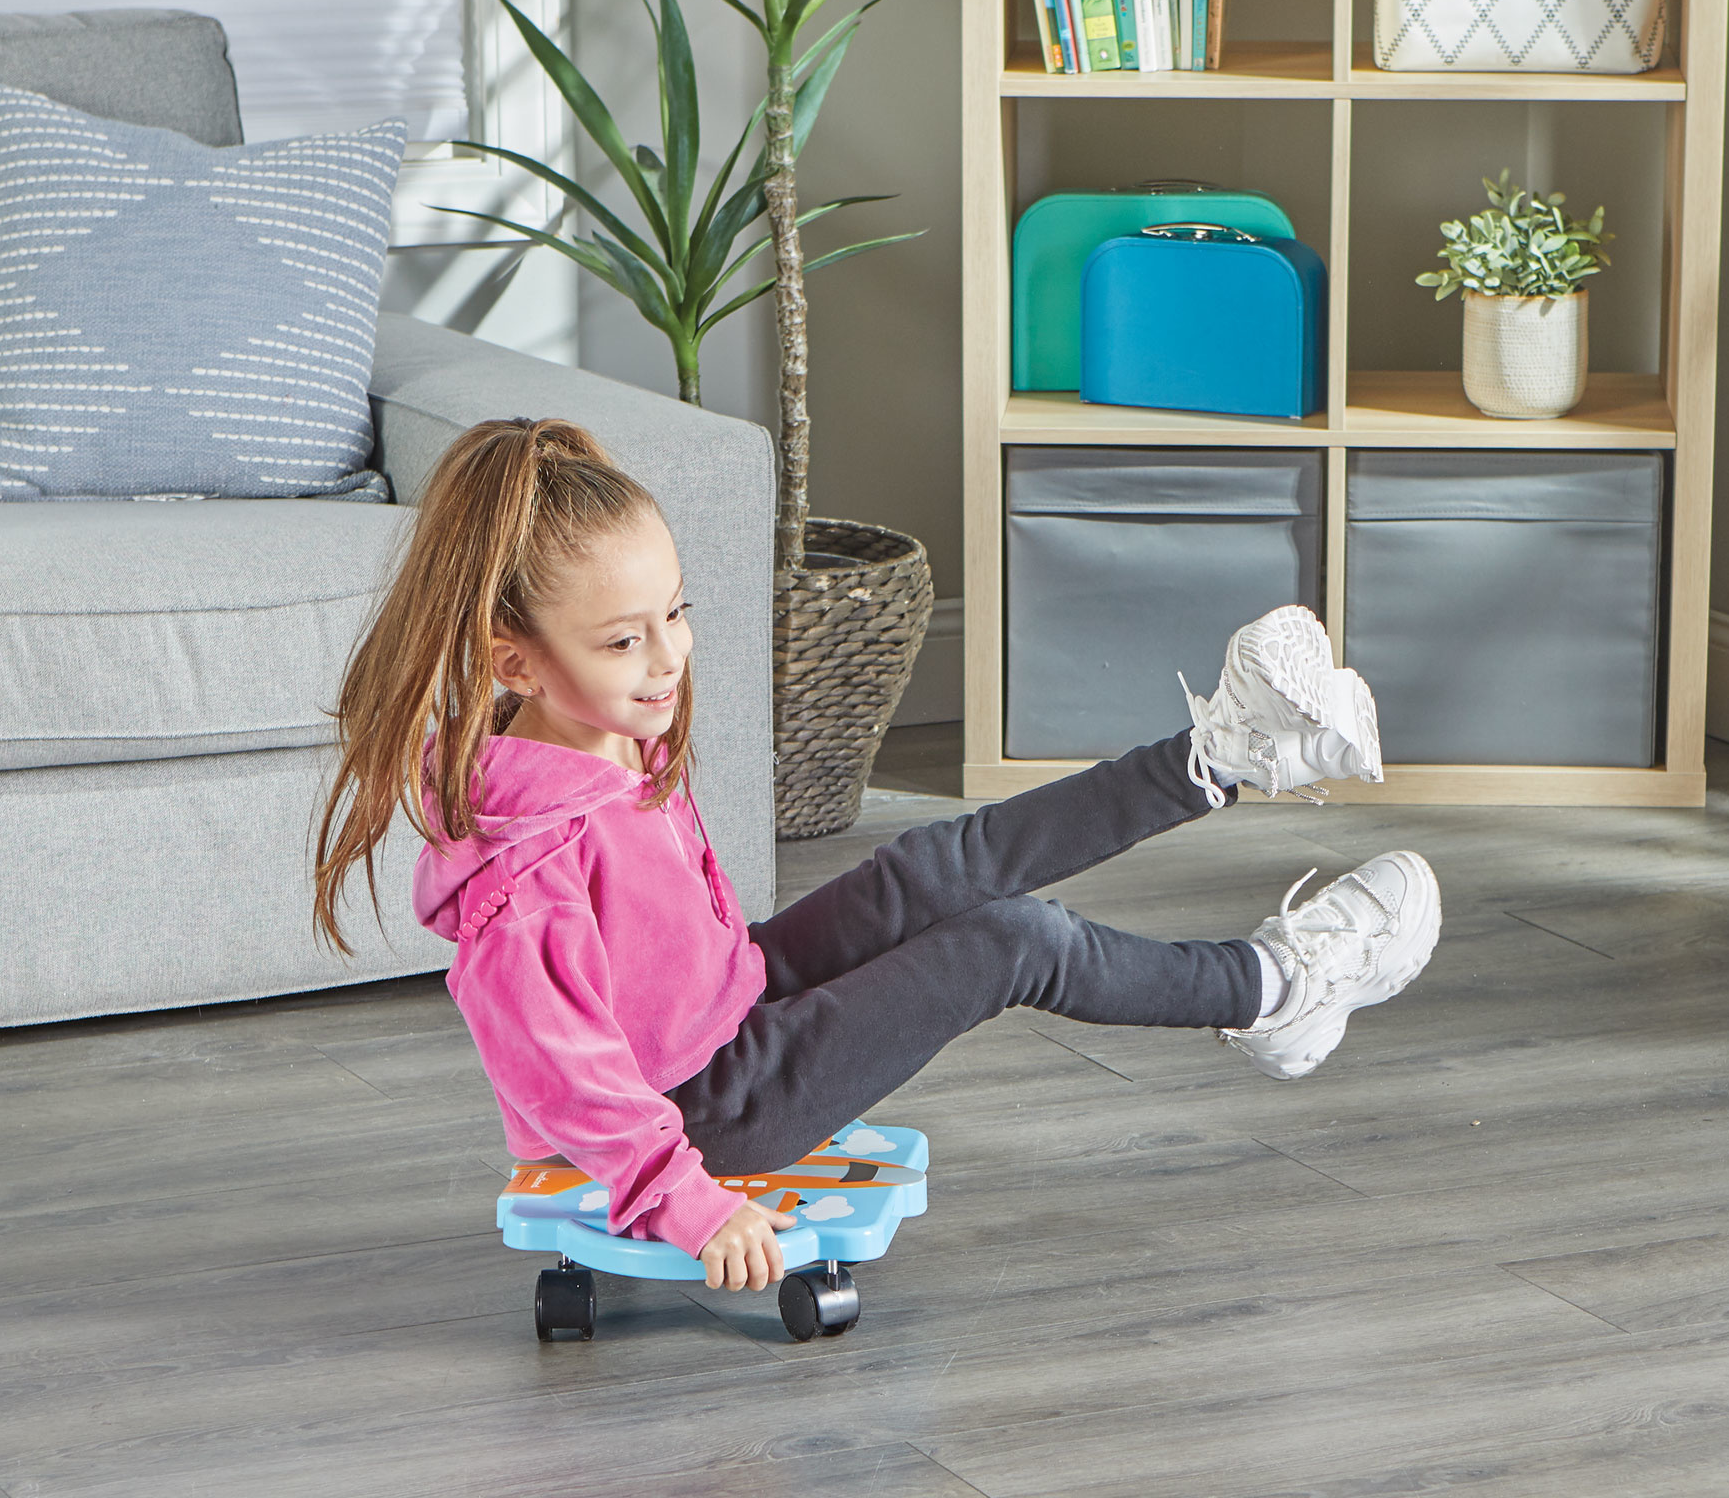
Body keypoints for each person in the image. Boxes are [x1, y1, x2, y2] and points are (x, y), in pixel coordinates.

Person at [314, 418, 1440, 1297]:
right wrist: (689, 1203)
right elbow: (565, 1079)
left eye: (674, 613)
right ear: (514, 663)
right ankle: (1275, 990)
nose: (667, 658)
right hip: (711, 1103)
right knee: (1007, 942)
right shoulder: (525, 875)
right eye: (623, 639)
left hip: (734, 998)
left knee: (937, 865)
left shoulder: (604, 732)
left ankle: (1220, 757)